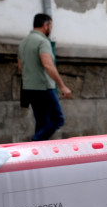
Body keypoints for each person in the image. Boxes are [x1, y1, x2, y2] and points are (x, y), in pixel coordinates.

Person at [18, 13, 72, 141]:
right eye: (51, 26)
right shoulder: (43, 41)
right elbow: (48, 65)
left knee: (41, 121)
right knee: (58, 119)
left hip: (28, 87)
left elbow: (20, 66)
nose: (51, 29)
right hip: (43, 87)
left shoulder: (23, 43)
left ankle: (37, 153)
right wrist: (62, 86)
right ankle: (34, 142)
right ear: (46, 25)